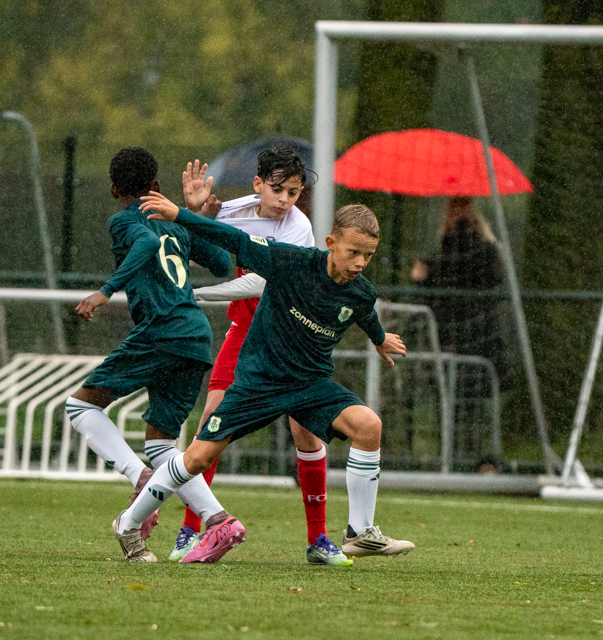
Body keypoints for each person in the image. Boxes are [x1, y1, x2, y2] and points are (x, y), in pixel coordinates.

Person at [113, 196, 414, 564]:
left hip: (309, 385)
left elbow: (364, 314)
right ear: (331, 242)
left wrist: (380, 339)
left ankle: (359, 532)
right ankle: (129, 522)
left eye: (368, 255)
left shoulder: (361, 290)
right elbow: (234, 240)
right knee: (197, 458)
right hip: (258, 383)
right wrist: (181, 216)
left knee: (368, 426)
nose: (360, 263)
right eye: (353, 252)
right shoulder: (290, 261)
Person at [168, 148, 344, 567]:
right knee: (211, 424)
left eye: (294, 192)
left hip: (289, 337)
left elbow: (262, 284)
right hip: (245, 331)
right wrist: (195, 214)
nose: (285, 199)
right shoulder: (231, 211)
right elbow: (189, 250)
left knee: (306, 434)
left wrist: (200, 294)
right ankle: (190, 530)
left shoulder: (298, 227)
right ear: (258, 184)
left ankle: (318, 539)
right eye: (278, 189)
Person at [67, 147, 237, 563]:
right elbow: (221, 264)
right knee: (162, 444)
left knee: (79, 406)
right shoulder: (174, 221)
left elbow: (144, 242)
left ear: (113, 190)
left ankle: (138, 475)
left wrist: (106, 291)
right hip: (195, 337)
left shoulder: (124, 221)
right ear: (156, 186)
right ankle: (219, 521)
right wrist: (198, 219)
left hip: (162, 330)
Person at [411, 196, 512, 393]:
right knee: (464, 388)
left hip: (462, 330)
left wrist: (423, 274)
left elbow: (438, 283)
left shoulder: (459, 250)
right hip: (468, 331)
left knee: (458, 387)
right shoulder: (481, 248)